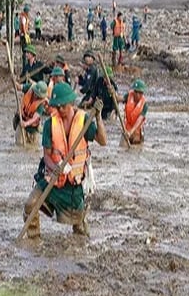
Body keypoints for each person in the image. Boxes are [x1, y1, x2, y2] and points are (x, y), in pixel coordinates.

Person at [23, 83, 107, 238]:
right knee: (31, 204)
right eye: (58, 106)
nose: (60, 110)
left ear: (71, 103)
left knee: (79, 228)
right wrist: (54, 166)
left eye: (63, 106)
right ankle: (34, 240)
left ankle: (79, 249)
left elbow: (103, 141)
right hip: (53, 179)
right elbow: (47, 155)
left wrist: (98, 117)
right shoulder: (50, 124)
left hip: (73, 186)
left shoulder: (84, 121)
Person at [15, 80, 49, 145]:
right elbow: (19, 87)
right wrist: (15, 82)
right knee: (19, 143)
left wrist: (26, 123)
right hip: (22, 120)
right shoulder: (30, 87)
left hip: (33, 128)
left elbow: (34, 118)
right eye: (36, 94)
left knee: (33, 146)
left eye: (38, 96)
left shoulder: (41, 104)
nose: (36, 96)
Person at [123, 79, 148, 145]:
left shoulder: (144, 105)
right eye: (136, 92)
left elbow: (139, 120)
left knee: (136, 149)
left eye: (140, 93)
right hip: (126, 129)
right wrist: (112, 93)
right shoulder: (128, 96)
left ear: (142, 93)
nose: (137, 94)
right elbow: (119, 99)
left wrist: (131, 132)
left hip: (136, 132)